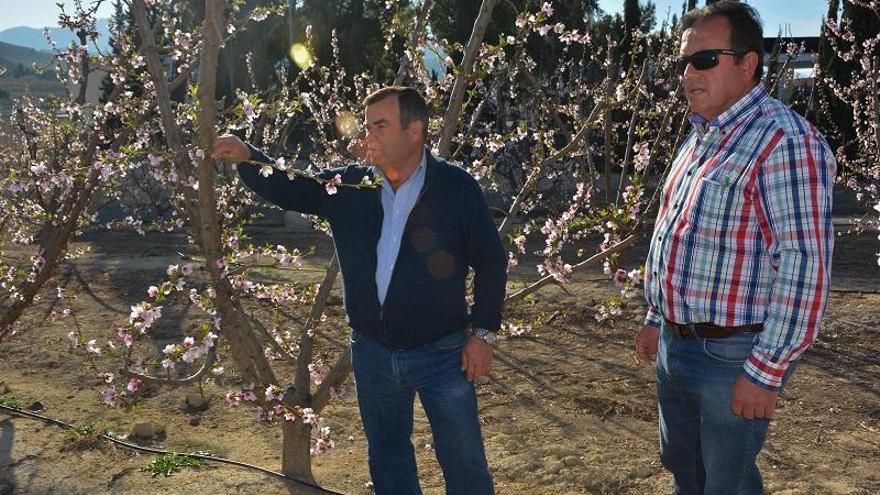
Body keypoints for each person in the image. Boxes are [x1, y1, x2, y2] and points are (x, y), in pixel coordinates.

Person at [212, 86, 506, 495]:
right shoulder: (351, 186)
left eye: (380, 125)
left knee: (464, 462)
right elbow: (295, 186)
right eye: (367, 125)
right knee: (388, 461)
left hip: (442, 354)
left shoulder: (456, 189)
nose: (369, 135)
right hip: (372, 354)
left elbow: (492, 261)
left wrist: (483, 333)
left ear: (415, 131)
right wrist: (248, 156)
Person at [634, 2, 835, 494]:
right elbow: (677, 231)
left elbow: (804, 265)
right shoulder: (700, 136)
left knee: (727, 482)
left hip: (732, 357)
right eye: (683, 62)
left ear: (748, 65)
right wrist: (656, 319)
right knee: (684, 467)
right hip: (675, 347)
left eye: (704, 60)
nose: (687, 74)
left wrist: (766, 371)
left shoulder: (785, 141)